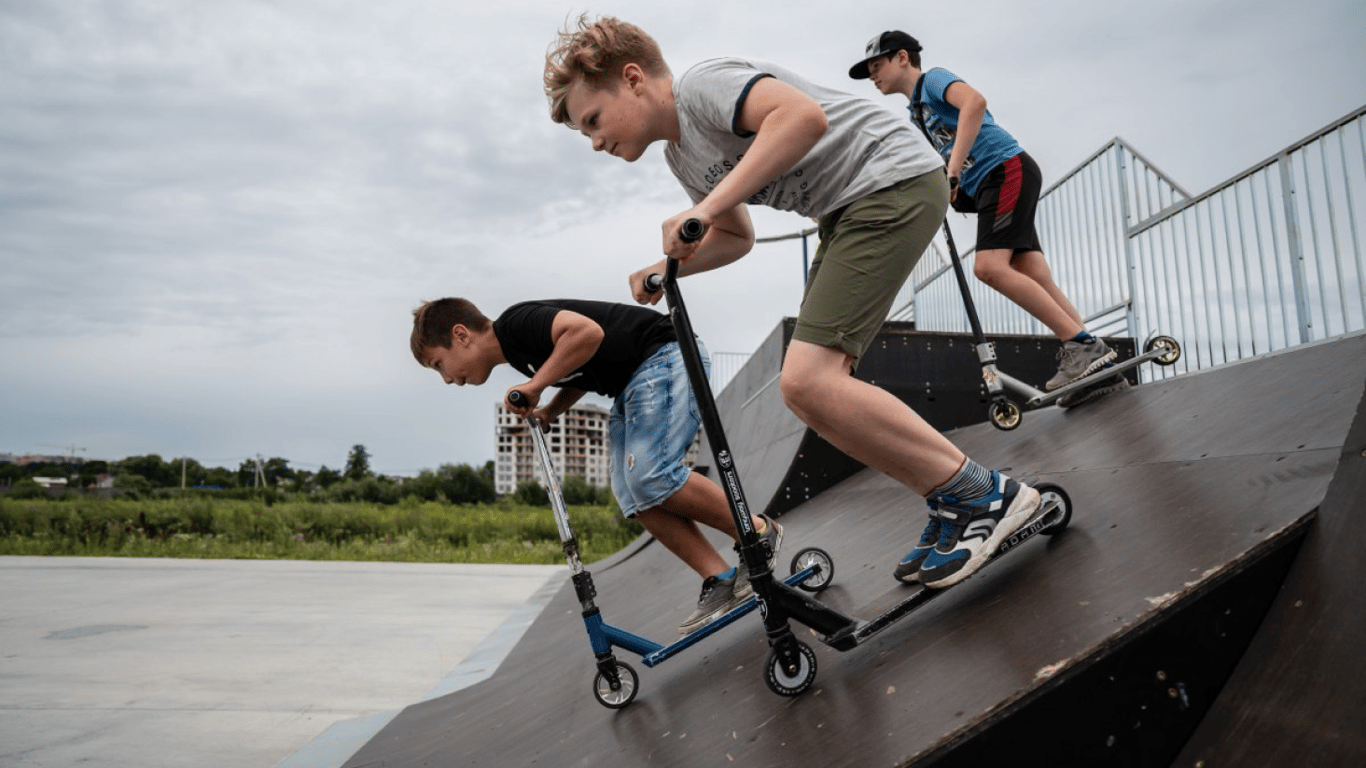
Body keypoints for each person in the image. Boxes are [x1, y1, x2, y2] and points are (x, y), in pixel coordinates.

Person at [542, 15, 1042, 589]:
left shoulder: (704, 87)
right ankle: (953, 498)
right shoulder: (681, 158)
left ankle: (985, 495)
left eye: (593, 121)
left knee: (808, 380)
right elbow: (735, 237)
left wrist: (701, 212)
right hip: (846, 212)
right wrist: (670, 266)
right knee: (811, 391)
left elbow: (802, 117)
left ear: (633, 79)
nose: (597, 142)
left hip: (889, 181)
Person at [410, 296, 782, 634]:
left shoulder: (515, 324)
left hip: (665, 357)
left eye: (439, 364)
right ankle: (719, 578)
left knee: (651, 474)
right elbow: (580, 364)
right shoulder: (522, 352)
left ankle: (757, 534)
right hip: (634, 381)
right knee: (633, 494)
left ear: (461, 335)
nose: (446, 379)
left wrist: (537, 384)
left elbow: (586, 333)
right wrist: (551, 409)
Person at [849, 30, 1125, 406]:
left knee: (989, 268)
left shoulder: (933, 81)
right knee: (1033, 274)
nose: (872, 75)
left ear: (901, 58)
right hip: (990, 188)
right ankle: (1099, 368)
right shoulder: (916, 113)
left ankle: (1083, 347)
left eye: (875, 65)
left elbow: (974, 103)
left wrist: (954, 169)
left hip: (1005, 170)